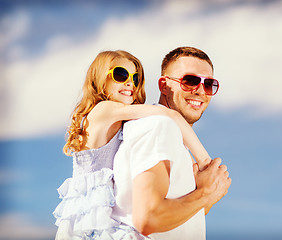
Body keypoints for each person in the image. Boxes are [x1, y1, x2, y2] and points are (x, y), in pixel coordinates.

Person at [53, 49, 214, 239]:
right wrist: (206, 163)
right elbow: (170, 115)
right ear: (100, 78)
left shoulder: (123, 122)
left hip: (100, 215)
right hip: (89, 218)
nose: (130, 82)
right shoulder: (103, 110)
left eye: (135, 78)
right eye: (120, 75)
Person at [111, 46, 232, 239]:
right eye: (190, 81)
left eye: (208, 84)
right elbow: (148, 219)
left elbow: (173, 222)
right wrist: (206, 193)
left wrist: (205, 199)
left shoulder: (172, 135)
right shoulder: (158, 126)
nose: (200, 90)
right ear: (164, 86)